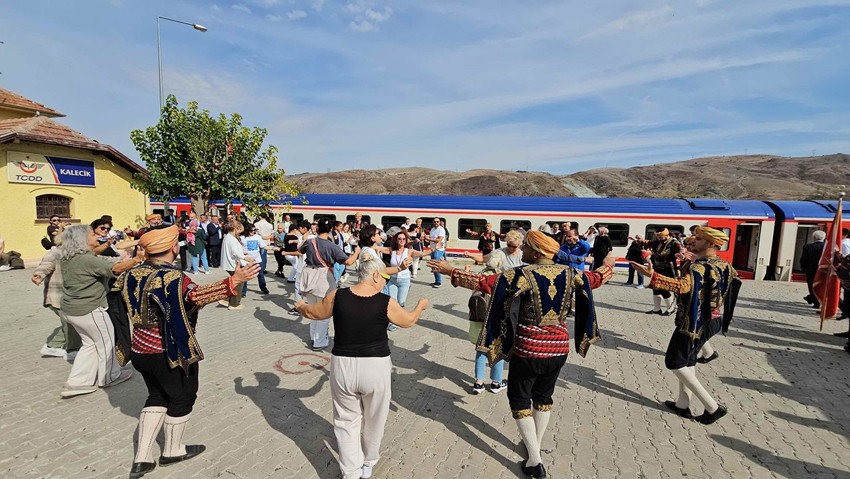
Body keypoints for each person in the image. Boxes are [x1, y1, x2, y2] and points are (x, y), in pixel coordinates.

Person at [429, 231, 614, 478]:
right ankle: (533, 445)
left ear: (536, 251)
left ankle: (534, 461)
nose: (522, 249)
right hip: (559, 348)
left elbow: (485, 283)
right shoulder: (571, 273)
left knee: (519, 400)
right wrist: (607, 266)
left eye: (526, 246)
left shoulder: (522, 275)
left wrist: (451, 271)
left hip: (529, 349)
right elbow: (596, 279)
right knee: (544, 397)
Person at [114, 226, 260, 478]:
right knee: (183, 396)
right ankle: (173, 450)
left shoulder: (129, 275)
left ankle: (142, 458)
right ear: (173, 248)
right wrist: (234, 281)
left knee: (156, 396)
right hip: (169, 352)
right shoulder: (173, 278)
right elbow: (196, 296)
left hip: (138, 350)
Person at [295, 254, 429, 479]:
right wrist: (420, 306)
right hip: (376, 367)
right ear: (375, 275)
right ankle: (368, 463)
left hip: (343, 366)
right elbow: (408, 321)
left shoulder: (337, 295)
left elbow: (313, 312)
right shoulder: (385, 302)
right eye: (384, 277)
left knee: (346, 420)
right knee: (375, 419)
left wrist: (300, 306)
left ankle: (351, 471)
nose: (386, 282)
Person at [630, 227, 740, 425]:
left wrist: (652, 276)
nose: (692, 242)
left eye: (698, 239)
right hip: (712, 318)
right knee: (688, 361)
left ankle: (712, 407)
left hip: (694, 321)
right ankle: (683, 404)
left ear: (711, 244)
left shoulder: (700, 267)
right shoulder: (723, 264)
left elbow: (682, 286)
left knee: (674, 362)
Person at [55, 225, 142, 398]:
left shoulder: (70, 256)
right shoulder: (86, 259)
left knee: (90, 345)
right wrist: (136, 260)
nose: (96, 237)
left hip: (72, 309)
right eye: (92, 234)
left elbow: (98, 256)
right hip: (89, 309)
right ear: (82, 239)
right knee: (106, 343)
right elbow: (114, 269)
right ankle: (110, 376)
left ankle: (78, 382)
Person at [298, 218, 360, 350]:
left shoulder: (310, 241)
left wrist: (306, 237)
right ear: (331, 229)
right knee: (324, 311)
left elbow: (300, 250)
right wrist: (357, 253)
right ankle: (319, 341)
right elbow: (348, 262)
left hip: (309, 276)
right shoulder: (332, 246)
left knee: (313, 307)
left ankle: (313, 337)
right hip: (323, 279)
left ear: (318, 228)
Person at [32, 238, 82, 360]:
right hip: (57, 296)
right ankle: (71, 350)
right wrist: (39, 274)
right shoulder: (55, 253)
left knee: (69, 322)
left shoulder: (74, 253)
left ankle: (53, 346)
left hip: (68, 296)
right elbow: (46, 265)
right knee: (71, 322)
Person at [635, 228, 683, 316]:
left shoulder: (674, 243)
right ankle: (657, 309)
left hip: (668, 269)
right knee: (655, 288)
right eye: (658, 237)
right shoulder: (658, 242)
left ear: (667, 235)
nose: (659, 239)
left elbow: (682, 251)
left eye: (661, 237)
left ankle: (670, 308)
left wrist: (681, 254)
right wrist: (638, 240)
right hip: (657, 268)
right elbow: (648, 242)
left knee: (663, 288)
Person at [220, 221, 250, 310]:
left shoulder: (228, 237)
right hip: (232, 264)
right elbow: (235, 252)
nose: (240, 233)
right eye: (239, 230)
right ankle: (234, 303)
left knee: (234, 282)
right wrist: (246, 258)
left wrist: (242, 253)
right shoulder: (231, 239)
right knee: (239, 282)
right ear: (235, 229)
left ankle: (226, 299)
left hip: (229, 263)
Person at [240, 224, 272, 295]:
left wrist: (273, 248)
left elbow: (263, 246)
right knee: (245, 276)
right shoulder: (242, 238)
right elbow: (238, 248)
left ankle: (263, 288)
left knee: (260, 274)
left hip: (257, 259)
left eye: (254, 230)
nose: (253, 232)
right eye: (251, 230)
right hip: (246, 260)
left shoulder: (257, 237)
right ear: (247, 230)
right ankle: (243, 291)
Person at [800, 231, 826, 309]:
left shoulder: (807, 247)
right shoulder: (826, 247)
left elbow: (804, 259)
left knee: (812, 286)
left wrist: (803, 268)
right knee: (822, 285)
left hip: (811, 270)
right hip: (823, 270)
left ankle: (816, 302)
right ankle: (819, 300)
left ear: (814, 237)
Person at [424, 218, 446, 287]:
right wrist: (427, 240)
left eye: (437, 221)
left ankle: (439, 282)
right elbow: (432, 238)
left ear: (439, 222)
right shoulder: (432, 229)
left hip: (439, 250)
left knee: (436, 265)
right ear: (433, 222)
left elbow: (439, 240)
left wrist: (428, 239)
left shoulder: (441, 229)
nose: (436, 223)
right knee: (433, 265)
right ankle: (436, 280)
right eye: (434, 222)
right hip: (433, 249)